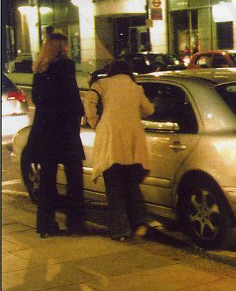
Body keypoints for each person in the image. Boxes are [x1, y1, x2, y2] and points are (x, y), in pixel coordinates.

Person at [84, 59, 155, 241]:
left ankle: (120, 231)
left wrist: (94, 121)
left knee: (114, 187)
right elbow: (149, 110)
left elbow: (89, 100)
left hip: (111, 140)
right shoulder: (135, 87)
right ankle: (139, 223)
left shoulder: (102, 84)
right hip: (132, 142)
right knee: (131, 184)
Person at [26, 32, 87, 238]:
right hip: (64, 131)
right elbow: (71, 95)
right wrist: (79, 113)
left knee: (47, 180)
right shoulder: (66, 66)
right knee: (74, 177)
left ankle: (45, 225)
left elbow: (37, 99)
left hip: (45, 131)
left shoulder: (39, 69)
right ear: (63, 47)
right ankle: (75, 224)